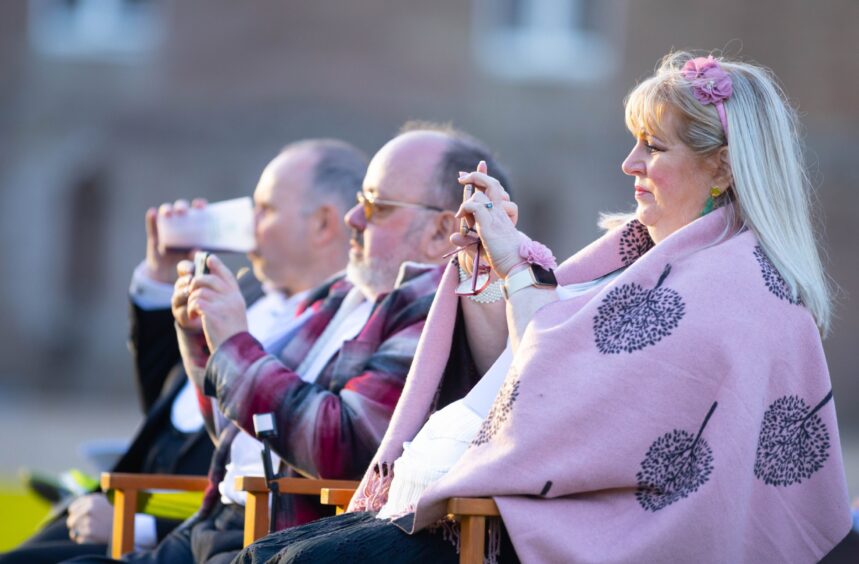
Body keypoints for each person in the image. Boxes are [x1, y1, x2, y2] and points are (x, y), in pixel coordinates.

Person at [235, 51, 851, 564]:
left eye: (654, 148)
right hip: (484, 519)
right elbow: (517, 372)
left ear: (720, 164)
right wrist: (493, 272)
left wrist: (514, 267)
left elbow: (558, 394)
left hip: (548, 540)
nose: (629, 164)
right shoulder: (643, 257)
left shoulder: (735, 285)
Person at [66, 124, 509, 564]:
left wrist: (235, 344)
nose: (352, 219)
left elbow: (341, 445)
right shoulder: (338, 293)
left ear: (440, 231)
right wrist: (206, 338)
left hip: (275, 533)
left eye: (374, 206)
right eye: (359, 202)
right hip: (214, 523)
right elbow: (242, 426)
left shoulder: (432, 309)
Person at [0, 139, 366, 564]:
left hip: (179, 528)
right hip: (122, 503)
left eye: (265, 210)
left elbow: (282, 478)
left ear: (323, 224)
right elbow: (165, 401)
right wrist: (161, 277)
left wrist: (139, 524)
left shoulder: (343, 329)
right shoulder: (242, 290)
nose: (249, 225)